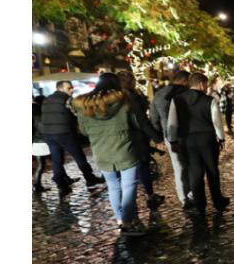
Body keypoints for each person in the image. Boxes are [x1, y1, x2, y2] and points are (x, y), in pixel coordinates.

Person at [71, 73, 148, 236]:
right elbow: (135, 123)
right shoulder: (124, 100)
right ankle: (128, 223)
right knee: (129, 186)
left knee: (113, 187)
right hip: (124, 149)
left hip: (101, 151)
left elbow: (84, 131)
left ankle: (121, 219)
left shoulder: (84, 104)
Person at [168, 73, 229, 216]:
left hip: (187, 140)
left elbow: (172, 123)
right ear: (201, 84)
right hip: (207, 139)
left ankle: (200, 205)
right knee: (212, 171)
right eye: (206, 84)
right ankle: (218, 201)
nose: (207, 87)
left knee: (195, 173)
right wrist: (221, 138)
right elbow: (217, 122)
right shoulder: (210, 100)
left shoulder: (176, 100)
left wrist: (173, 140)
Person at [42, 80, 106, 196]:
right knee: (79, 157)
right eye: (69, 88)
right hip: (64, 132)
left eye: (72, 88)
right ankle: (90, 179)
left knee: (57, 160)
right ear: (60, 88)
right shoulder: (67, 100)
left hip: (48, 134)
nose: (71, 90)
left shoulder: (47, 99)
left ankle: (61, 186)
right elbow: (77, 114)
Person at [117, 70, 166, 209]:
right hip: (136, 138)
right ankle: (148, 197)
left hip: (121, 139)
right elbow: (142, 121)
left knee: (128, 172)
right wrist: (157, 139)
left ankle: (130, 206)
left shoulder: (114, 97)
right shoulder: (131, 97)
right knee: (141, 168)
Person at [150, 70, 192, 209]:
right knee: (192, 164)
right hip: (189, 134)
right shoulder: (186, 93)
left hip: (169, 135)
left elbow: (154, 118)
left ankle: (184, 198)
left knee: (178, 167)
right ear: (185, 80)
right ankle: (193, 194)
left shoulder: (159, 94)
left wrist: (158, 138)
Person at [33, 92, 50, 193]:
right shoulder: (39, 115)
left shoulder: (36, 114)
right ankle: (37, 185)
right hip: (41, 142)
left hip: (37, 141)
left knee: (41, 165)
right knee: (41, 165)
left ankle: (37, 185)